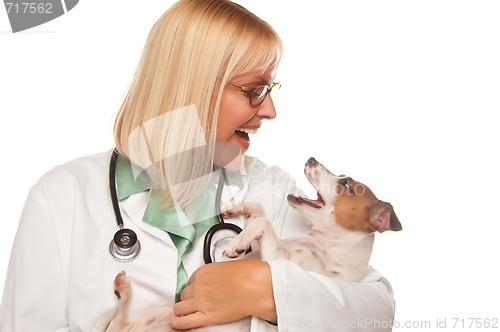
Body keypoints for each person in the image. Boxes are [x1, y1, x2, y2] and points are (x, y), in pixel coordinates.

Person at [0, 0, 397, 331]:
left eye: (269, 90)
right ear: (191, 84)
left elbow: (376, 310)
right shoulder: (62, 196)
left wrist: (269, 290)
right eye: (254, 90)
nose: (271, 110)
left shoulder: (271, 192)